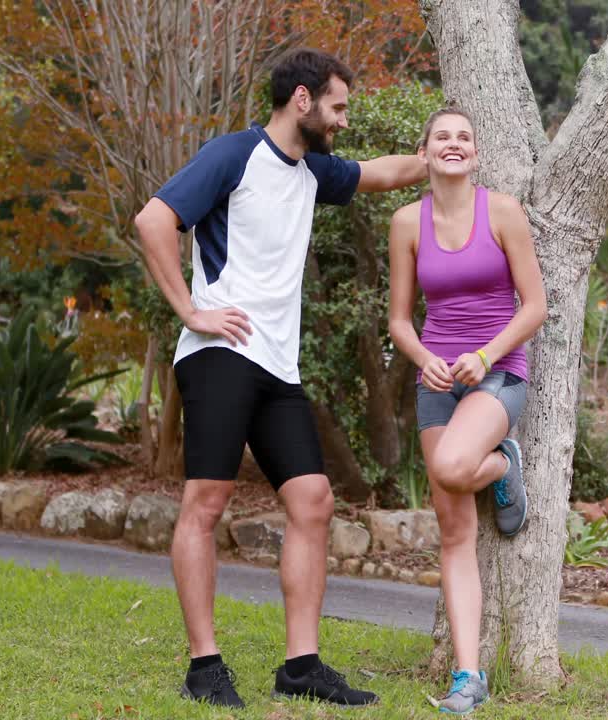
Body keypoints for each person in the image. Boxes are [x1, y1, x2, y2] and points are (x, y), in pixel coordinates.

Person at [134, 48, 426, 709]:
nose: (344, 121)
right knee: (205, 505)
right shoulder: (233, 155)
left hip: (275, 365)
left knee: (313, 501)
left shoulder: (312, 172)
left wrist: (442, 158)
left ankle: (300, 666)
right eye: (339, 106)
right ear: (303, 99)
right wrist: (189, 309)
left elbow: (380, 174)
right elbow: (153, 221)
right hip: (219, 354)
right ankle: (203, 666)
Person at [387, 108, 547, 714]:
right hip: (436, 384)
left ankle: (503, 465)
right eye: (442, 138)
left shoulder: (502, 212)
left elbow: (534, 306)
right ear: (425, 152)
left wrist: (485, 355)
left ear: (475, 154)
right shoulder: (407, 223)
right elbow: (400, 319)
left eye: (464, 138)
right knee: (455, 534)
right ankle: (468, 677)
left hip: (498, 375)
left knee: (454, 468)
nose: (453, 145)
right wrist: (423, 357)